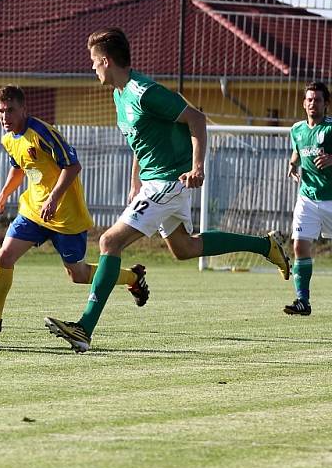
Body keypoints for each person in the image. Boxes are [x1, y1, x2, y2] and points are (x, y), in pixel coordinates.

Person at [45, 27, 291, 353]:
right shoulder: (119, 96)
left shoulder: (145, 91)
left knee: (109, 241)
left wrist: (198, 167)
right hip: (153, 181)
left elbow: (198, 119)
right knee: (184, 248)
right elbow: (140, 141)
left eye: (93, 61)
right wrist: (136, 182)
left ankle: (84, 327)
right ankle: (265, 246)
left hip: (170, 181)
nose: (91, 68)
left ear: (106, 60)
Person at [0, 85, 149, 332]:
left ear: (23, 109)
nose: (4, 117)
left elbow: (72, 166)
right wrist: (3, 195)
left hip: (66, 216)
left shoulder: (43, 132)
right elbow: (19, 167)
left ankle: (133, 278)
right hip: (33, 212)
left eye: (10, 110)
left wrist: (53, 199)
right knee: (5, 255)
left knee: (78, 275)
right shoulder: (8, 139)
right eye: (0, 111)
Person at [284, 82, 332, 316]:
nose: (314, 103)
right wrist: (293, 163)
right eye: (310, 99)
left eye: (318, 100)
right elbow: (298, 149)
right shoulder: (297, 130)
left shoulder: (331, 129)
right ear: (304, 103)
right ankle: (303, 301)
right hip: (307, 198)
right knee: (299, 246)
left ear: (326, 104)